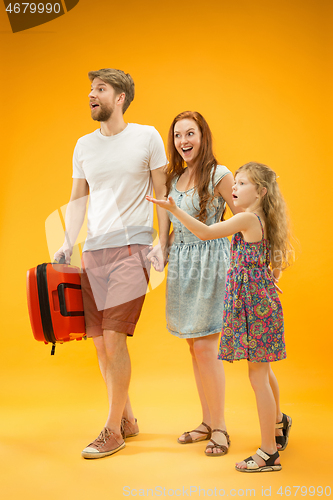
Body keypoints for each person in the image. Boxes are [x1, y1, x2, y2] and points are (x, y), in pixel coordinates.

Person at [147, 161, 293, 472]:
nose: (234, 188)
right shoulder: (266, 218)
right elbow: (274, 265)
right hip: (261, 301)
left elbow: (205, 232)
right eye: (235, 183)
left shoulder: (246, 218)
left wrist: (174, 209)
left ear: (261, 192)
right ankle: (280, 423)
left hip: (253, 306)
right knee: (263, 372)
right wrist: (268, 282)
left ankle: (269, 452)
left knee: (257, 377)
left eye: (241, 184)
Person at [54, 68, 169, 459]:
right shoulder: (83, 145)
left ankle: (111, 431)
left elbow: (162, 193)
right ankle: (128, 420)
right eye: (90, 89)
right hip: (93, 252)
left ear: (120, 97)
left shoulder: (147, 137)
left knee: (116, 338)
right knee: (101, 345)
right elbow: (77, 200)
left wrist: (161, 241)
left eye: (100, 89)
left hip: (132, 248)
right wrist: (67, 244)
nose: (91, 94)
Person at [159, 111, 238, 456]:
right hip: (181, 263)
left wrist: (252, 262)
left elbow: (245, 216)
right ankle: (207, 421)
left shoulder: (219, 174)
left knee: (207, 347)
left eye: (190, 134)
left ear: (202, 136)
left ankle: (220, 428)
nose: (183, 141)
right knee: (194, 346)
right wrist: (161, 248)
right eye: (178, 135)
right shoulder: (175, 178)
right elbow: (171, 222)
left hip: (211, 264)